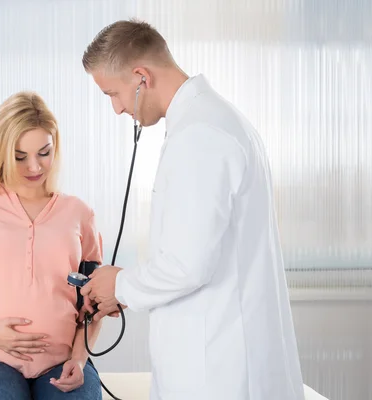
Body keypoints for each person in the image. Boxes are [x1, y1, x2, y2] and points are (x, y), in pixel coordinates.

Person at [78, 19, 305, 400]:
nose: (117, 109)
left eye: (113, 94)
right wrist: (124, 288)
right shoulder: (216, 122)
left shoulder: (200, 137)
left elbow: (187, 264)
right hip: (222, 357)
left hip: (218, 369)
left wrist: (118, 284)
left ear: (140, 77)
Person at [0, 91, 104, 400]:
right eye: (20, 156)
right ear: (0, 152)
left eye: (44, 152)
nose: (34, 167)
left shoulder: (79, 213)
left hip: (62, 361)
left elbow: (93, 305)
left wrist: (79, 360)